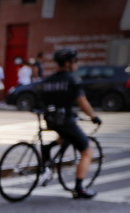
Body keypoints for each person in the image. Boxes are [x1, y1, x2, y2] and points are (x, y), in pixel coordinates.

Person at [39, 48, 102, 199]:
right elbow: (82, 103)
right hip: (65, 120)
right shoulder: (72, 80)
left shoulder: (48, 81)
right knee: (87, 151)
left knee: (66, 137)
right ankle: (80, 188)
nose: (76, 64)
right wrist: (94, 116)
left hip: (50, 119)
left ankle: (48, 148)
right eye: (75, 61)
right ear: (68, 63)